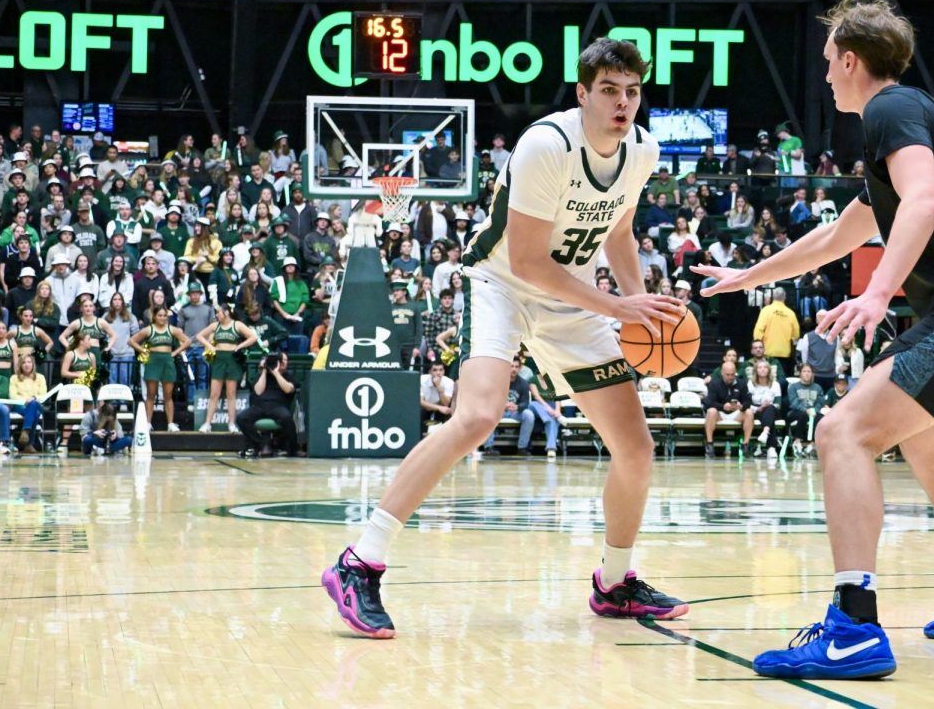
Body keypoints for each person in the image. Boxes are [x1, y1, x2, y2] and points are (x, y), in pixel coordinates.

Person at [695, 0, 934, 679]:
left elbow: (922, 204)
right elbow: (839, 235)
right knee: (928, 448)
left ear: (852, 59)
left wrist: (879, 292)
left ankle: (853, 627)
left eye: (830, 60)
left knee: (841, 432)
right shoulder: (900, 129)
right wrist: (750, 274)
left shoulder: (891, 109)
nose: (826, 73)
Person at [322, 37, 689, 639]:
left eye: (632, 91)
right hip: (501, 284)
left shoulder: (641, 150)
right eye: (609, 91)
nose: (623, 103)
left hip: (574, 299)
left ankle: (615, 582)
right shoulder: (548, 144)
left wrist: (637, 308)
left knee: (636, 448)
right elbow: (528, 261)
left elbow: (619, 231)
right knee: (477, 417)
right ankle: (358, 562)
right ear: (582, 93)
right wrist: (618, 304)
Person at [195, 304, 259, 433]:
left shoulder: (237, 325)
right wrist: (210, 346)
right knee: (214, 394)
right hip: (219, 360)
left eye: (219, 312)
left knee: (231, 393)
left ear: (226, 312)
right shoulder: (215, 326)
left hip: (232, 360)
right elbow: (199, 336)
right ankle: (207, 424)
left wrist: (240, 346)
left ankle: (231, 424)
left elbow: (254, 337)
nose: (217, 315)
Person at [128, 305, 192, 431]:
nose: (162, 318)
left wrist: (175, 352)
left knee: (168, 395)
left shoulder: (172, 329)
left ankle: (170, 424)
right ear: (154, 316)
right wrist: (143, 351)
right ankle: (147, 423)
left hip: (167, 361)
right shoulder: (148, 329)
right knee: (151, 395)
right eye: (160, 315)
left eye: (164, 315)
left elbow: (188, 341)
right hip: (153, 361)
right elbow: (131, 341)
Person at [236, 351, 299, 457]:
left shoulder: (288, 376)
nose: (282, 363)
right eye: (280, 360)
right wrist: (265, 370)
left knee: (287, 418)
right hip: (259, 407)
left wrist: (276, 372)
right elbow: (258, 391)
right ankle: (261, 444)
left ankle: (293, 448)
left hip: (278, 407)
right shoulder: (261, 375)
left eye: (284, 360)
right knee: (241, 418)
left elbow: (288, 389)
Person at [702, 360, 753, 458]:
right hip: (720, 413)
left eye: (732, 374)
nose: (730, 377)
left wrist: (742, 406)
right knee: (711, 411)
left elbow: (748, 402)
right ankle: (709, 444)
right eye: (727, 374)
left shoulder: (742, 383)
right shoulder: (714, 383)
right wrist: (722, 406)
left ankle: (745, 444)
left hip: (736, 414)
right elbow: (709, 402)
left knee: (749, 412)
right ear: (722, 373)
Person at [751, 286, 799, 377]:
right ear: (785, 297)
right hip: (785, 353)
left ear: (773, 297)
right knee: (782, 380)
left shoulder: (766, 310)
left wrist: (758, 346)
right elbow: (796, 334)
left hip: (768, 352)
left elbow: (759, 329)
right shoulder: (791, 313)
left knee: (767, 379)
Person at [419, 360, 454, 429]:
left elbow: (446, 403)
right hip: (425, 407)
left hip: (441, 408)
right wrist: (439, 407)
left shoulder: (449, 382)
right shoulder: (422, 380)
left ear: (444, 371)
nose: (438, 373)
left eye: (441, 370)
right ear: (430, 372)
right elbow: (421, 402)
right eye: (435, 370)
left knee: (448, 411)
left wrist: (439, 387)